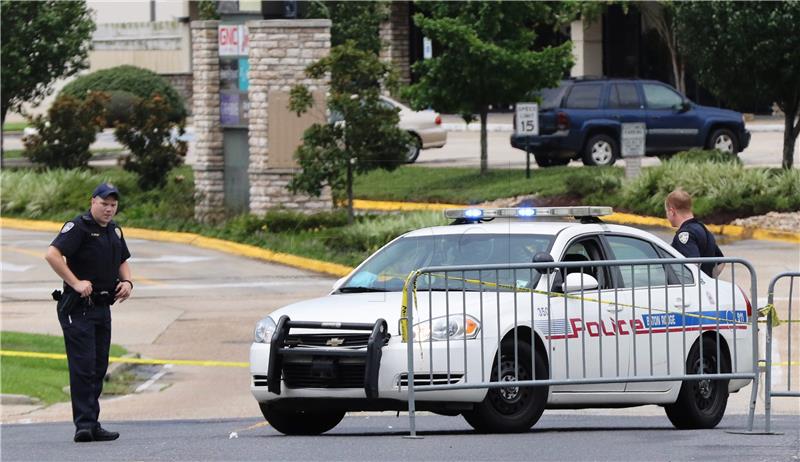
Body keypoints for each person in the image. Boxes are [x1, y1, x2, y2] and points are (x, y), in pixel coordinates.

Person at [44, 183, 133, 443]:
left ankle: (92, 423)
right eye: (104, 203)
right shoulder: (78, 227)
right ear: (92, 201)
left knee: (97, 366)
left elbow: (123, 261)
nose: (108, 209)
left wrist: (127, 282)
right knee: (83, 366)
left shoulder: (114, 231)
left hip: (103, 307)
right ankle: (83, 425)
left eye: (113, 205)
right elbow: (52, 254)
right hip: (78, 308)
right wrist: (75, 282)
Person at [665, 188, 724, 277]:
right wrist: (709, 281)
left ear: (672, 211)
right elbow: (721, 262)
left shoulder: (684, 234)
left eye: (666, 212)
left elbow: (693, 263)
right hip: (703, 288)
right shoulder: (702, 229)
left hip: (691, 289)